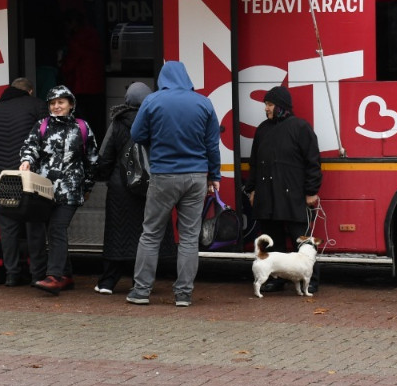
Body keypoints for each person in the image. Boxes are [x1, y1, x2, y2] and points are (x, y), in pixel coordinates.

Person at [126, 61, 222, 308]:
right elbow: (212, 144)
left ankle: (141, 291)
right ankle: (183, 294)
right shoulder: (203, 103)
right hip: (196, 177)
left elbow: (137, 135)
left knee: (151, 234)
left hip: (164, 175)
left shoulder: (152, 101)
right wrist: (215, 175)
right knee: (189, 237)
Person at [18, 85, 99, 296]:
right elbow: (30, 147)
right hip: (44, 190)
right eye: (52, 103)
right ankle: (67, 275)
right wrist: (27, 160)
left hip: (71, 190)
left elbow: (92, 160)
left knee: (56, 228)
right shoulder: (42, 125)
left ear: (71, 104)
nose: (56, 106)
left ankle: (54, 276)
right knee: (53, 230)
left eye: (61, 102)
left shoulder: (82, 127)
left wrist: (88, 186)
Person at [245, 85, 323, 293]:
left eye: (270, 104)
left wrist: (311, 191)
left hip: (293, 195)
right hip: (267, 194)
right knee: (273, 238)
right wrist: (252, 189)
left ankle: (311, 279)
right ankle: (276, 278)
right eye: (266, 104)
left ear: (281, 106)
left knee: (302, 241)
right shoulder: (262, 129)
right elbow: (254, 162)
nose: (266, 108)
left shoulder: (300, 127)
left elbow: (313, 161)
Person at [0, 77, 48, 286]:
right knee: (34, 227)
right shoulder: (37, 106)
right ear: (30, 91)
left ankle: (12, 274)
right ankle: (37, 274)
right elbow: (46, 141)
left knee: (8, 228)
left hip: (3, 179)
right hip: (29, 178)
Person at [91, 81, 155, 294]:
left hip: (121, 187)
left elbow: (105, 156)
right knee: (145, 234)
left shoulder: (118, 122)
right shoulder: (155, 120)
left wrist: (105, 177)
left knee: (116, 234)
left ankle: (107, 282)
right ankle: (140, 282)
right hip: (149, 186)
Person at [59, 11, 105, 130]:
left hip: (82, 86)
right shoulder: (94, 37)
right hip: (97, 85)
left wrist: (61, 67)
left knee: (83, 120)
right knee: (96, 120)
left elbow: (69, 65)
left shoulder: (76, 41)